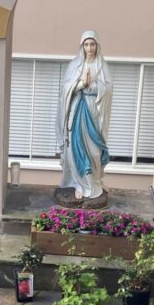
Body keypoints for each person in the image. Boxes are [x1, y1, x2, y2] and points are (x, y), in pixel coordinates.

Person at [56, 30, 112, 202]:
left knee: (95, 151)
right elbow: (65, 89)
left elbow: (109, 89)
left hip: (94, 110)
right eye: (86, 44)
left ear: (97, 46)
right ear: (82, 46)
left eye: (92, 44)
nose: (89, 48)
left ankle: (95, 181)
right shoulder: (75, 65)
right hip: (77, 110)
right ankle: (80, 183)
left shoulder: (102, 65)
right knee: (76, 147)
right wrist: (80, 84)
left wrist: (94, 86)